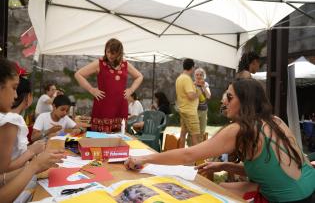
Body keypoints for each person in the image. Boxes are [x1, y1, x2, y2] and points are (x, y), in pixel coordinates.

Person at [125, 78, 315, 203]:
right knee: (223, 187)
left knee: (213, 194)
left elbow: (188, 154)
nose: (224, 101)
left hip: (291, 199)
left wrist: (144, 159)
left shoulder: (239, 130)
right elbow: (271, 168)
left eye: (229, 97)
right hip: (309, 188)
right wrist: (224, 167)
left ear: (245, 101)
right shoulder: (275, 121)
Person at [0, 58, 65, 203]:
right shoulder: (10, 121)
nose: (15, 95)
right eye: (13, 87)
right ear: (29, 97)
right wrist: (33, 164)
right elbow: (4, 169)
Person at [75, 38, 143, 132]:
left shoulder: (125, 64)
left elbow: (139, 76)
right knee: (100, 137)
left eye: (113, 53)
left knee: (119, 135)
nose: (110, 55)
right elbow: (78, 74)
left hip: (120, 105)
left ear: (119, 53)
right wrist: (91, 89)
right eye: (108, 52)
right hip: (103, 105)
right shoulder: (99, 63)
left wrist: (131, 90)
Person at [175, 58, 200, 148]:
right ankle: (197, 161)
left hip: (183, 110)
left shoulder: (179, 78)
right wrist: (199, 94)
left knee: (183, 135)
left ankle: (181, 158)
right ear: (192, 67)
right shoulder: (186, 79)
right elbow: (190, 95)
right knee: (195, 137)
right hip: (190, 112)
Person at [192, 67, 211, 144]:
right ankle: (191, 148)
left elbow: (208, 96)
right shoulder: (192, 85)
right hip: (195, 111)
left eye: (201, 75)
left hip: (204, 111)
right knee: (193, 132)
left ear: (204, 76)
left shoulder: (205, 85)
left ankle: (198, 149)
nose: (199, 76)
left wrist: (203, 87)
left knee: (202, 131)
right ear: (194, 76)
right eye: (197, 75)